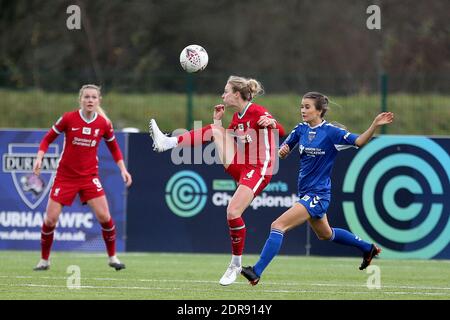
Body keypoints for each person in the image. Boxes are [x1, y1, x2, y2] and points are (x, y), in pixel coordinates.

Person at [241, 91, 394, 285]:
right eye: (302, 106)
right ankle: (367, 248)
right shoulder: (300, 129)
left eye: (307, 107)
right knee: (326, 234)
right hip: (306, 193)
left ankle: (256, 271)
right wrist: (283, 151)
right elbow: (284, 150)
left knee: (278, 226)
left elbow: (359, 141)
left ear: (319, 110)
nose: (303, 110)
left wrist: (374, 125)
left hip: (318, 194)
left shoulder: (331, 132)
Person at [149, 75, 285, 285]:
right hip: (242, 166)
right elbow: (223, 141)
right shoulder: (237, 119)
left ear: (237, 95)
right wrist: (217, 122)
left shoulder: (257, 111)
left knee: (232, 212)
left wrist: (273, 122)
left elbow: (281, 131)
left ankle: (235, 264)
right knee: (215, 130)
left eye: (226, 91)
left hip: (260, 169)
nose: (223, 95)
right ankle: (168, 142)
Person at [33, 84, 132, 271]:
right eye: (86, 97)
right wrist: (39, 157)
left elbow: (114, 148)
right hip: (65, 176)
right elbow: (47, 139)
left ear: (99, 101)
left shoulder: (103, 124)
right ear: (81, 100)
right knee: (50, 220)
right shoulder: (69, 118)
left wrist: (123, 169)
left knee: (105, 216)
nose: (90, 100)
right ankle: (44, 260)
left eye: (94, 97)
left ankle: (113, 258)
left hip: (89, 177)